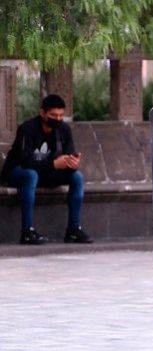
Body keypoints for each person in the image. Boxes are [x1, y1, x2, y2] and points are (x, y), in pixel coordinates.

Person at [1, 94, 92, 245]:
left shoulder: (63, 129)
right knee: (31, 175)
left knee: (77, 177)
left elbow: (69, 155)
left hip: (46, 173)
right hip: (17, 172)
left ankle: (73, 230)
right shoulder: (27, 129)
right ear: (42, 113)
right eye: (53, 115)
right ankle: (27, 232)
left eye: (61, 115)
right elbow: (25, 161)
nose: (57, 119)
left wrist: (73, 164)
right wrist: (53, 165)